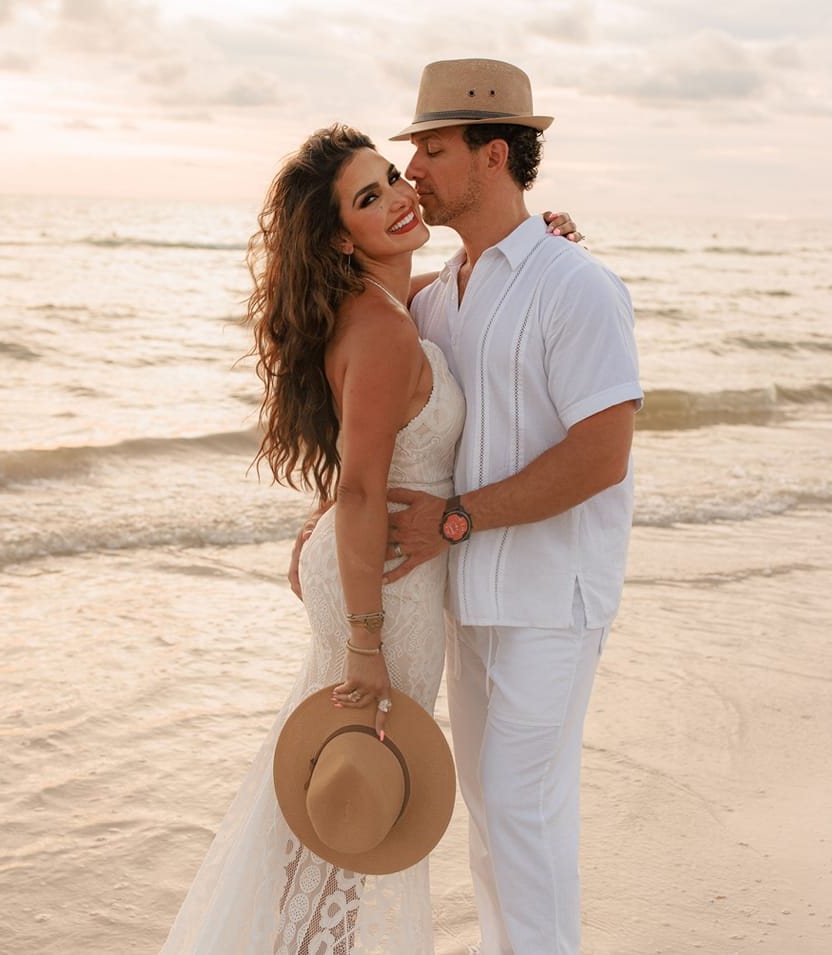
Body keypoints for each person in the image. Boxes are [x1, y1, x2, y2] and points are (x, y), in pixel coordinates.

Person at [159, 123, 579, 954]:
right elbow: (358, 486)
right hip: (384, 587)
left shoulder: (389, 306)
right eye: (368, 197)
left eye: (392, 176)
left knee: (338, 806)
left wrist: (536, 250)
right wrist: (365, 641)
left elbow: (450, 299)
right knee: (351, 811)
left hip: (373, 570)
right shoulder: (383, 327)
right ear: (340, 239)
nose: (397, 196)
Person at [383, 59, 643, 955]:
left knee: (524, 811)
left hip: (551, 597)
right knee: (492, 812)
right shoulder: (442, 295)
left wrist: (453, 519)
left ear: (494, 155)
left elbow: (602, 455)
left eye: (433, 149)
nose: (414, 168)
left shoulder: (577, 285)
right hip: (471, 599)